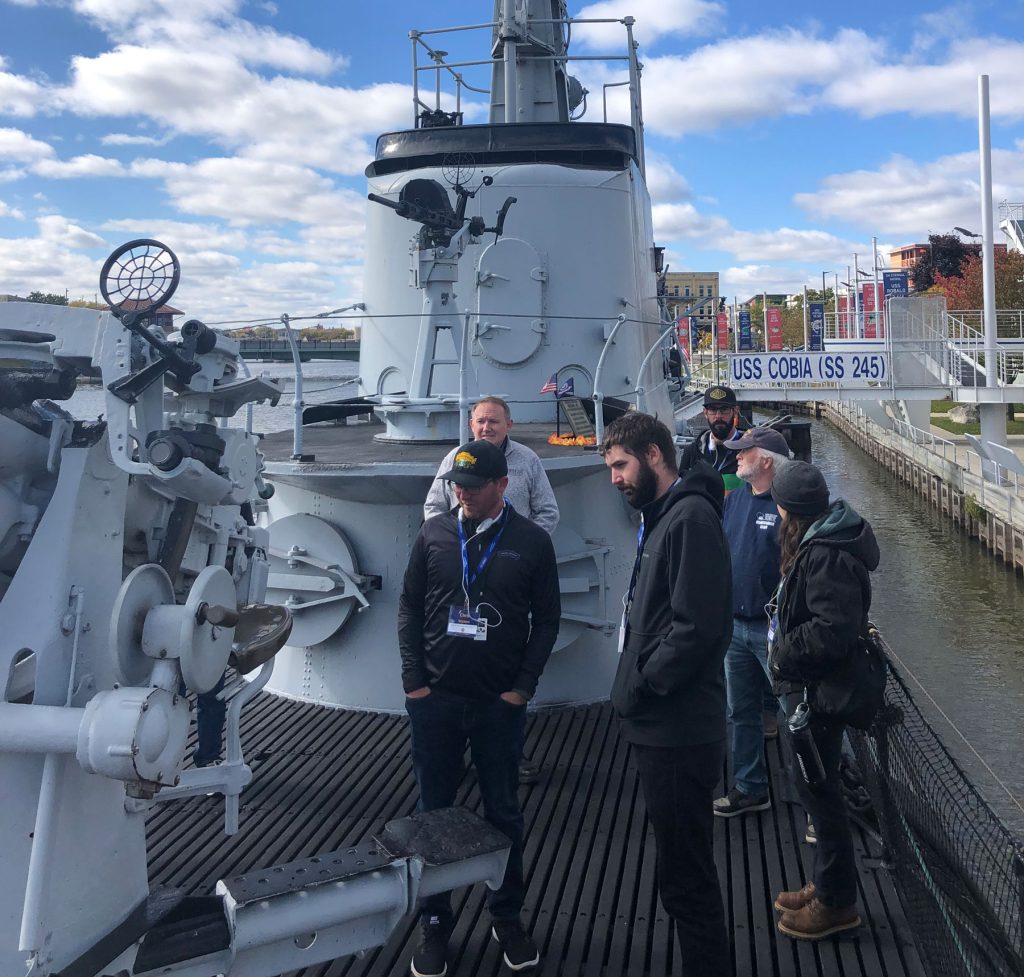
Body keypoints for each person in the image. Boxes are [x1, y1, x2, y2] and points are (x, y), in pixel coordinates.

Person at [399, 438, 560, 976]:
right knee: (433, 813)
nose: (461, 496)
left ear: (501, 486)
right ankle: (436, 923)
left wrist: (523, 687)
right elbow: (409, 604)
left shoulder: (532, 542)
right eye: (456, 488)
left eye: (471, 488)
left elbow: (547, 620)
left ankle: (506, 916)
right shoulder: (434, 533)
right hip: (436, 701)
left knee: (504, 811)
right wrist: (413, 680)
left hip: (498, 703)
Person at [601, 412, 733, 976]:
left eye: (620, 465)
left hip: (678, 727)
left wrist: (644, 684)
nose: (615, 478)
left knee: (687, 880)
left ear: (654, 455)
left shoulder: (689, 521)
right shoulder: (665, 516)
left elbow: (699, 629)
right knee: (679, 868)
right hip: (663, 725)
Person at [768, 461, 880, 941]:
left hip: (818, 695)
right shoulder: (826, 540)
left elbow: (831, 630)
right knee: (819, 793)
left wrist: (781, 655)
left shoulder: (826, 554)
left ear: (786, 509)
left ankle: (836, 905)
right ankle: (826, 883)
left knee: (822, 796)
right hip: (816, 691)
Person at [712, 427, 791, 818]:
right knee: (739, 712)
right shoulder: (737, 500)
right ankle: (750, 786)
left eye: (745, 451)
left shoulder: (788, 505)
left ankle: (818, 801)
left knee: (798, 716)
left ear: (767, 461)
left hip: (773, 630)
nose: (737, 456)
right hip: (735, 627)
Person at [424, 396, 559, 534]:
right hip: (462, 549)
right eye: (480, 421)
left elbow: (548, 512)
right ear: (471, 424)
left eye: (493, 421)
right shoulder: (454, 458)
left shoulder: (528, 459)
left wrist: (524, 545)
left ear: (508, 424)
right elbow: (434, 506)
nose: (486, 428)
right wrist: (447, 542)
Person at [677, 384, 749, 493]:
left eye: (724, 409)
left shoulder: (750, 450)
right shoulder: (692, 452)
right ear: (705, 413)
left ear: (735, 411)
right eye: (713, 409)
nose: (718, 416)